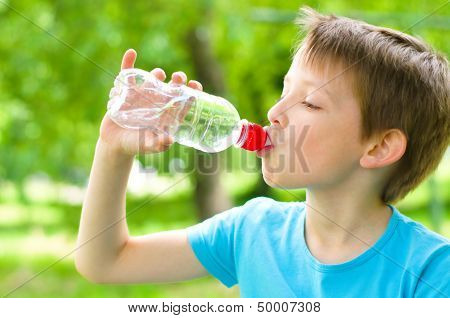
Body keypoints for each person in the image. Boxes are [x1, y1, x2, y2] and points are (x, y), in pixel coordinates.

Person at [75, 7, 450, 297]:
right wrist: (112, 150)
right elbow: (104, 261)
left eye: (310, 103)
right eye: (285, 90)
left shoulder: (432, 274)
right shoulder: (252, 230)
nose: (274, 112)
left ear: (379, 146)